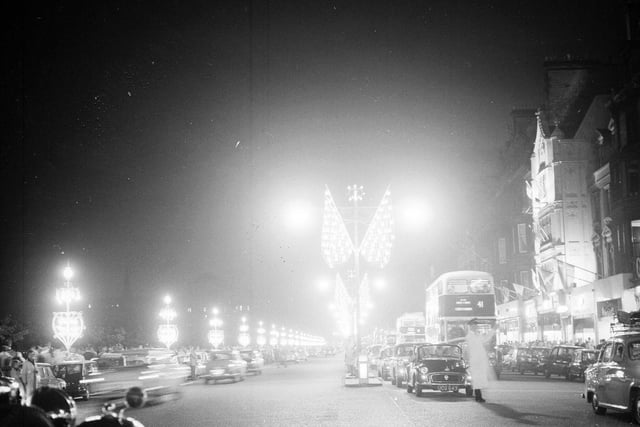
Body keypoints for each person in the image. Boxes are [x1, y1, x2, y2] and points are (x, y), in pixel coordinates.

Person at [465, 319, 496, 403]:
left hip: (478, 360)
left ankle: (478, 396)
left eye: (477, 325)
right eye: (475, 325)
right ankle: (478, 397)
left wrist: (492, 331)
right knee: (477, 379)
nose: (476, 327)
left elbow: (485, 339)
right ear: (471, 326)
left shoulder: (475, 335)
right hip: (476, 360)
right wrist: (492, 330)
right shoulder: (471, 336)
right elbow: (484, 340)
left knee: (479, 378)